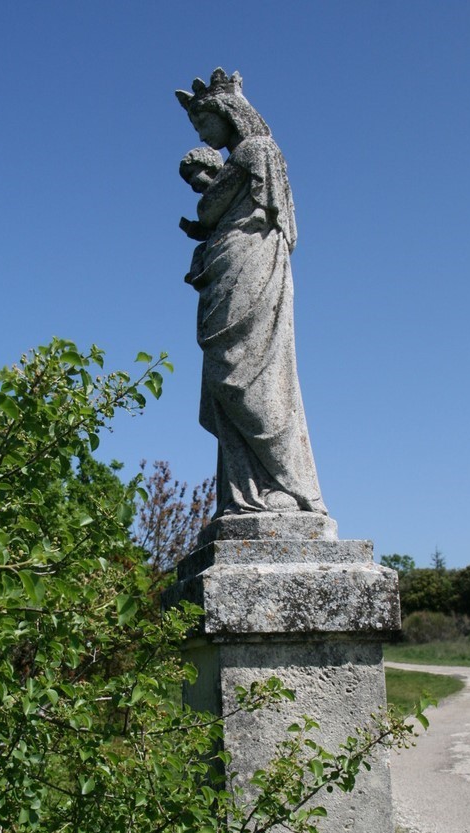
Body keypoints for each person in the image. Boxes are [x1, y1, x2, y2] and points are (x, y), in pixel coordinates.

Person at [176, 69, 327, 517]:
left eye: (203, 122)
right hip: (229, 264)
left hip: (251, 262)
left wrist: (207, 206)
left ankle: (290, 486)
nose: (201, 134)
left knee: (247, 375)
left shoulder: (255, 150)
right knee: (228, 377)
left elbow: (211, 207)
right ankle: (246, 491)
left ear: (225, 112)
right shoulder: (241, 159)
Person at [178, 147, 224, 286]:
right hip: (215, 238)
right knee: (199, 250)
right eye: (188, 179)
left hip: (230, 235)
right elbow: (208, 229)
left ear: (209, 169)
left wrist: (196, 229)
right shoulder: (207, 200)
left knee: (201, 250)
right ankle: (196, 275)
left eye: (192, 174)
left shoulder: (223, 189)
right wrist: (192, 229)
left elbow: (210, 221)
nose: (191, 182)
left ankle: (199, 276)